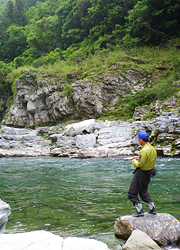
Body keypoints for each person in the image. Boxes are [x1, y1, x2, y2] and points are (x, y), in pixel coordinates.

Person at [128, 131, 157, 217]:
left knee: (131, 193)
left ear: (141, 140)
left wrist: (134, 161)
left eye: (138, 139)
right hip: (148, 173)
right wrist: (137, 157)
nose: (138, 140)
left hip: (141, 173)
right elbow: (147, 159)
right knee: (143, 192)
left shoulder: (144, 150)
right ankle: (152, 209)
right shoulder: (152, 148)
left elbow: (140, 164)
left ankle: (139, 210)